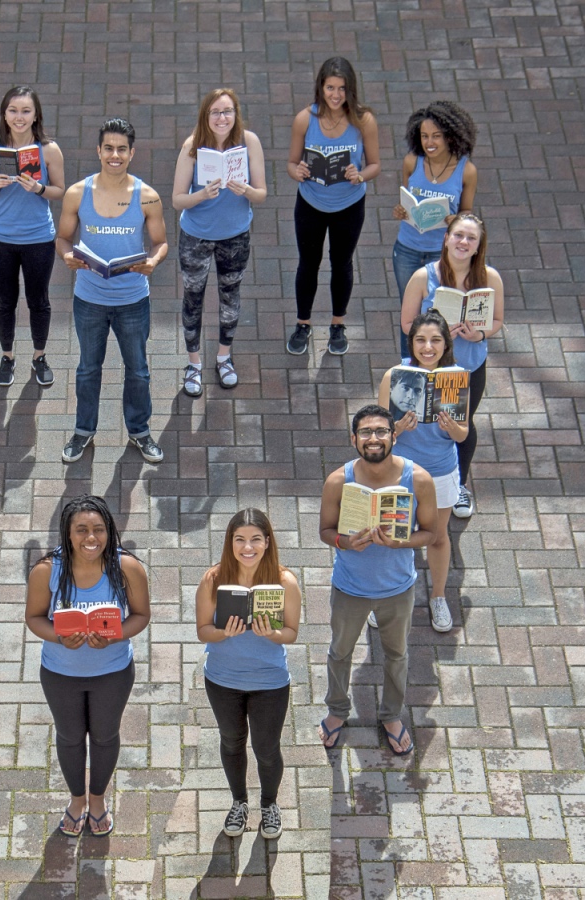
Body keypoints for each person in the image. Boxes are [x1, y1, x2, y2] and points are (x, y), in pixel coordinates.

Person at [24, 496, 150, 837]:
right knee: (69, 737)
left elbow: (141, 616)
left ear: (109, 531)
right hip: (60, 672)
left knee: (106, 736)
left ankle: (98, 799)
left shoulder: (127, 568)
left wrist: (114, 635)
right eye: (81, 530)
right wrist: (58, 637)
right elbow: (34, 618)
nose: (90, 538)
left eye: (98, 529)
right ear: (67, 533)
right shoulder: (47, 570)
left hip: (113, 671)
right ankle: (77, 800)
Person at [317, 405, 436, 756]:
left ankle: (391, 715)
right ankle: (337, 710)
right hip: (350, 587)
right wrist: (344, 541)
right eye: (366, 432)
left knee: (396, 655)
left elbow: (431, 533)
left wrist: (402, 540)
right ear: (354, 439)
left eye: (381, 431)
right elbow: (325, 530)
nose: (374, 438)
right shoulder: (338, 481)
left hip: (398, 587)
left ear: (394, 435)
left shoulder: (419, 480)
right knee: (340, 652)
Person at [56, 118, 169, 465]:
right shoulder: (78, 193)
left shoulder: (147, 198)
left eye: (122, 149)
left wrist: (153, 262)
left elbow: (161, 243)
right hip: (89, 299)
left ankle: (139, 432)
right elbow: (62, 237)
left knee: (138, 369)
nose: (114, 155)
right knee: (88, 368)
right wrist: (67, 255)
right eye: (108, 148)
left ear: (132, 153)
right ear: (98, 151)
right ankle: (83, 431)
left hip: (133, 300)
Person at [194, 509, 301, 840]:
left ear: (267, 542)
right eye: (239, 539)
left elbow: (292, 633)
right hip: (223, 680)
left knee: (267, 749)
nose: (247, 547)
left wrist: (272, 633)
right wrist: (223, 632)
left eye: (255, 539)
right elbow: (202, 631)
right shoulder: (213, 579)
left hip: (269, 681)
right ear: (230, 542)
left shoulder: (284, 582)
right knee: (232, 741)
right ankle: (239, 802)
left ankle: (269, 804)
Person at [400, 213, 504, 518]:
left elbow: (497, 320)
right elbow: (407, 323)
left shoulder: (490, 277)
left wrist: (480, 333)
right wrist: (437, 332)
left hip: (470, 367)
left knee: (461, 424)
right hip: (429, 366)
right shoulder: (423, 277)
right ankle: (415, 483)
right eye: (458, 235)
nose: (463, 242)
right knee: (418, 422)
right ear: (446, 239)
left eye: (471, 238)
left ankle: (459, 485)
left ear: (478, 246)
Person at [171, 89, 268, 396]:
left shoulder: (249, 142)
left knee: (230, 297)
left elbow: (262, 193)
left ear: (236, 114)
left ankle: (224, 357)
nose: (222, 118)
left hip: (235, 236)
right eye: (215, 112)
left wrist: (247, 191)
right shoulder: (192, 146)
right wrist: (202, 194)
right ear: (206, 116)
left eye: (228, 111)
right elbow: (176, 200)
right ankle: (194, 363)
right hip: (196, 237)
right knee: (193, 297)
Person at [377, 313, 468, 633]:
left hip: (441, 472)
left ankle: (438, 597)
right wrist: (396, 428)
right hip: (400, 473)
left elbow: (462, 436)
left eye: (435, 340)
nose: (427, 347)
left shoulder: (456, 378)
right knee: (393, 533)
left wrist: (452, 425)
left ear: (445, 345)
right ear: (411, 342)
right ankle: (387, 596)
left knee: (438, 536)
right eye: (420, 340)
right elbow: (377, 435)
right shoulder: (394, 376)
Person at [286, 57, 380, 357]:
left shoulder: (363, 120)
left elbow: (375, 164)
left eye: (342, 88)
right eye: (330, 87)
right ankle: (303, 324)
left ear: (350, 89)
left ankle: (337, 325)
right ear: (320, 87)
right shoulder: (305, 118)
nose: (336, 95)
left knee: (342, 264)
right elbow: (290, 163)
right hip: (311, 203)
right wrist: (297, 171)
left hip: (349, 205)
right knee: (308, 263)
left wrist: (360, 175)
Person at [0, 86, 66, 388]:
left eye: (26, 111)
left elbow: (60, 191)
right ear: (4, 113)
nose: (19, 117)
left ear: (36, 115)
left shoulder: (49, 150)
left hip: (39, 238)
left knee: (38, 300)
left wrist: (39, 188)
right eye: (13, 110)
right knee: (5, 300)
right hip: (1, 236)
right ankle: (7, 356)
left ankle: (39, 356)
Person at [390, 101, 478, 356]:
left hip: (442, 255)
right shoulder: (411, 162)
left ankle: (441, 363)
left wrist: (457, 220)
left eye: (437, 136)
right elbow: (407, 199)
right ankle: (409, 364)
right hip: (407, 250)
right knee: (410, 312)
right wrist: (401, 210)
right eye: (425, 136)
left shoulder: (466, 171)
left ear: (450, 136)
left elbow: (467, 212)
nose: (430, 142)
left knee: (442, 312)